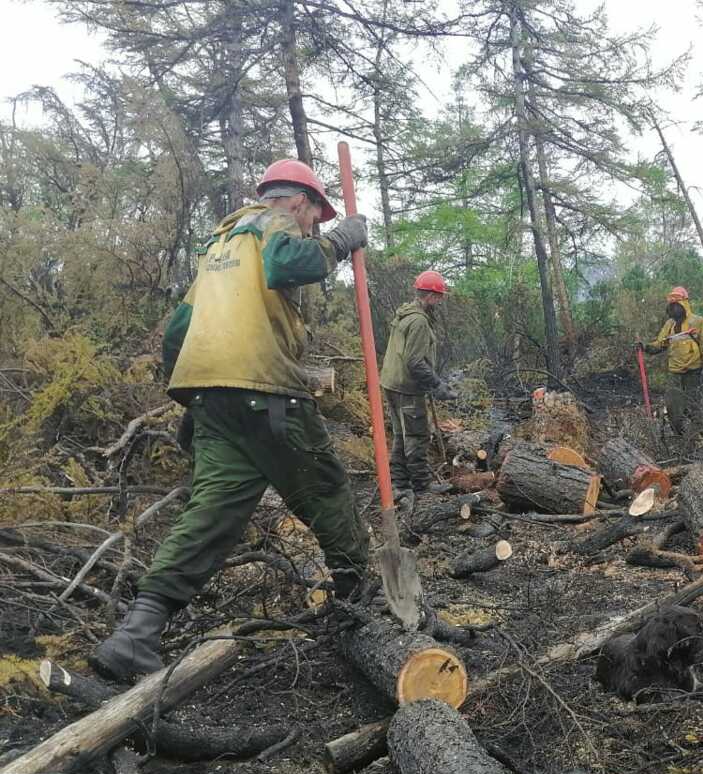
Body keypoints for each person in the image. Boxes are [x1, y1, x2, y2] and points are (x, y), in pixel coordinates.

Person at [90, 159, 371, 682]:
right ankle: (365, 602)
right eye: (316, 215)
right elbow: (291, 263)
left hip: (212, 396)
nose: (312, 224)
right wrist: (340, 241)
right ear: (299, 202)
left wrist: (196, 400)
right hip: (265, 393)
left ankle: (136, 634)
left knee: (211, 514)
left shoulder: (221, 246)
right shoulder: (275, 222)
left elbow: (179, 331)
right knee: (327, 488)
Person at [379, 270, 457, 501]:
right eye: (439, 296)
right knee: (417, 435)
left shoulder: (406, 313)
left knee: (401, 435)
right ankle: (422, 488)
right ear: (431, 296)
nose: (440, 301)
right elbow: (414, 361)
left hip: (391, 383)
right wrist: (437, 385)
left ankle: (400, 485)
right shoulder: (419, 321)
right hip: (406, 387)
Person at [637, 286, 703, 434]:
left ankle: (697, 436)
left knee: (694, 405)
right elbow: (661, 343)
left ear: (684, 303)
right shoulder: (669, 325)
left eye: (676, 302)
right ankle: (680, 435)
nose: (673, 306)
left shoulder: (698, 321)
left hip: (694, 371)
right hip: (675, 372)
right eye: (671, 303)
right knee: (673, 406)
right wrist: (645, 347)